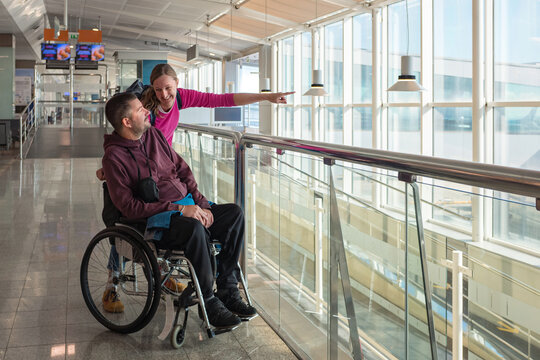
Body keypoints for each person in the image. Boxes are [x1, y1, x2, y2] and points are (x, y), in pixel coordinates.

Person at [101, 92, 254, 328]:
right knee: (194, 229)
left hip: (187, 206)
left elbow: (183, 171)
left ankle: (227, 289)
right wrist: (180, 209)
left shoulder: (153, 135)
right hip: (157, 220)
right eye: (140, 109)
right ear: (127, 122)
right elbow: (128, 207)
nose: (147, 111)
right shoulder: (114, 157)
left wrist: (200, 203)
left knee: (234, 214)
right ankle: (209, 301)